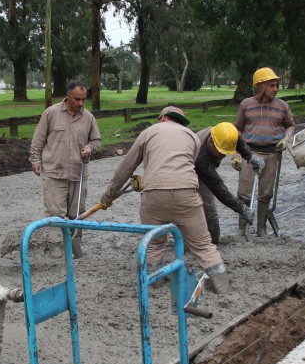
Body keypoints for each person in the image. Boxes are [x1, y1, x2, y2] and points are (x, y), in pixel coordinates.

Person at [99, 106, 232, 294]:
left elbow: (125, 168)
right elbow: (186, 165)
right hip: (187, 194)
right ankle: (223, 286)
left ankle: (156, 283)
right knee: (203, 245)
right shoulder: (192, 137)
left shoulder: (148, 133)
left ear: (162, 118)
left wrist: (108, 196)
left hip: (154, 195)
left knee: (154, 242)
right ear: (181, 122)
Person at [29, 81, 101, 259]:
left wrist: (89, 148)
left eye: (84, 99)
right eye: (77, 99)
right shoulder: (51, 113)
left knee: (78, 214)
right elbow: (38, 139)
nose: (81, 103)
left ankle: (75, 250)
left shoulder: (89, 117)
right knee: (55, 213)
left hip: (79, 173)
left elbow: (97, 141)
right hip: (54, 172)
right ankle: (56, 248)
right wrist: (35, 159)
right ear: (68, 95)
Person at [235, 67, 295, 236]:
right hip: (249, 153)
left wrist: (286, 138)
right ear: (260, 86)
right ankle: (241, 228)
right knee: (244, 193)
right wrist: (235, 153)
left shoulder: (282, 106)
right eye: (271, 85)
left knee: (265, 193)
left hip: (271, 153)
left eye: (276, 85)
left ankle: (261, 228)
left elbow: (290, 125)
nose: (275, 89)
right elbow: (238, 129)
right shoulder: (246, 105)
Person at [195, 122, 263, 244]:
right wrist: (241, 208)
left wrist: (250, 157)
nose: (223, 156)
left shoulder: (225, 134)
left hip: (204, 166)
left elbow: (238, 142)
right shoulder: (202, 158)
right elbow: (218, 188)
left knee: (208, 208)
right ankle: (210, 243)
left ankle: (213, 242)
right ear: (211, 143)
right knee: (205, 207)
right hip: (190, 170)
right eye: (221, 152)